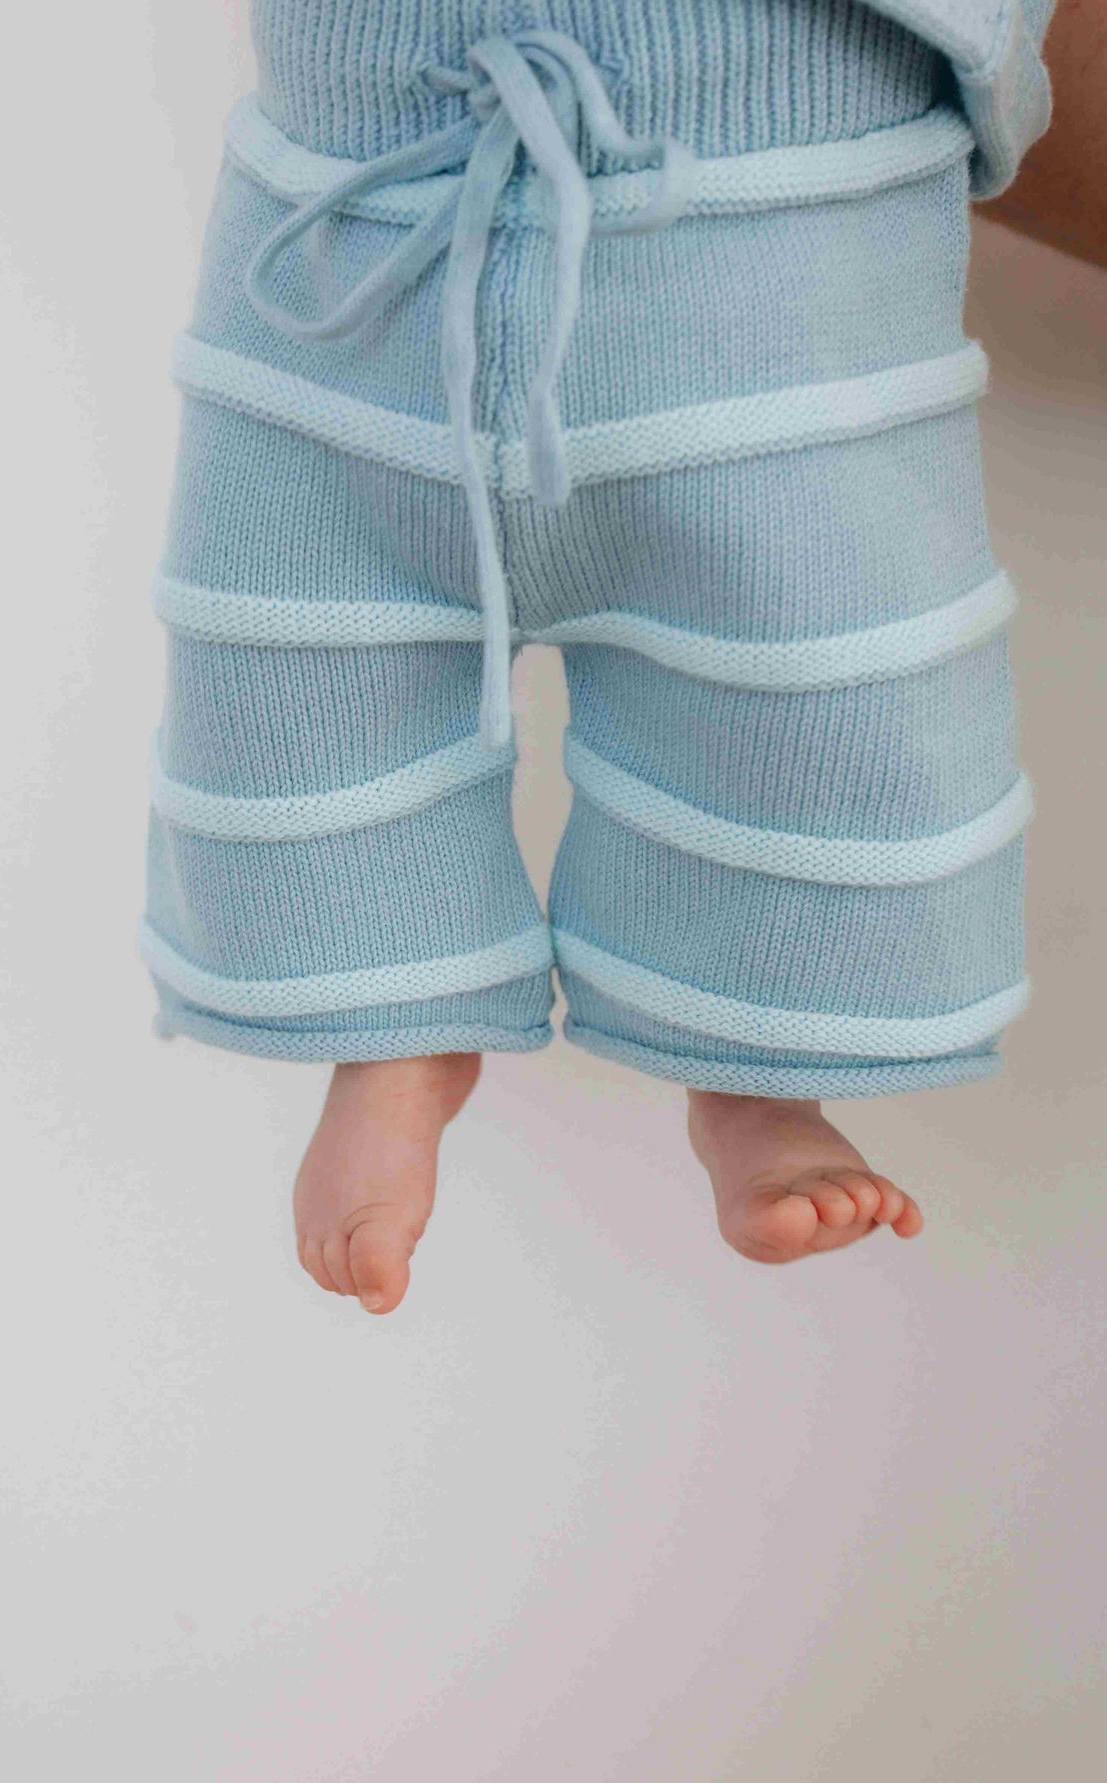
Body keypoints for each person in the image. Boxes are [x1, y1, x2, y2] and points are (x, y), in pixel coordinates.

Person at [141, 0, 1066, 1309]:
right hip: (356, 208)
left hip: (770, 238)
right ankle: (390, 1032)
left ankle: (759, 1075)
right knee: (289, 667)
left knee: (822, 703)